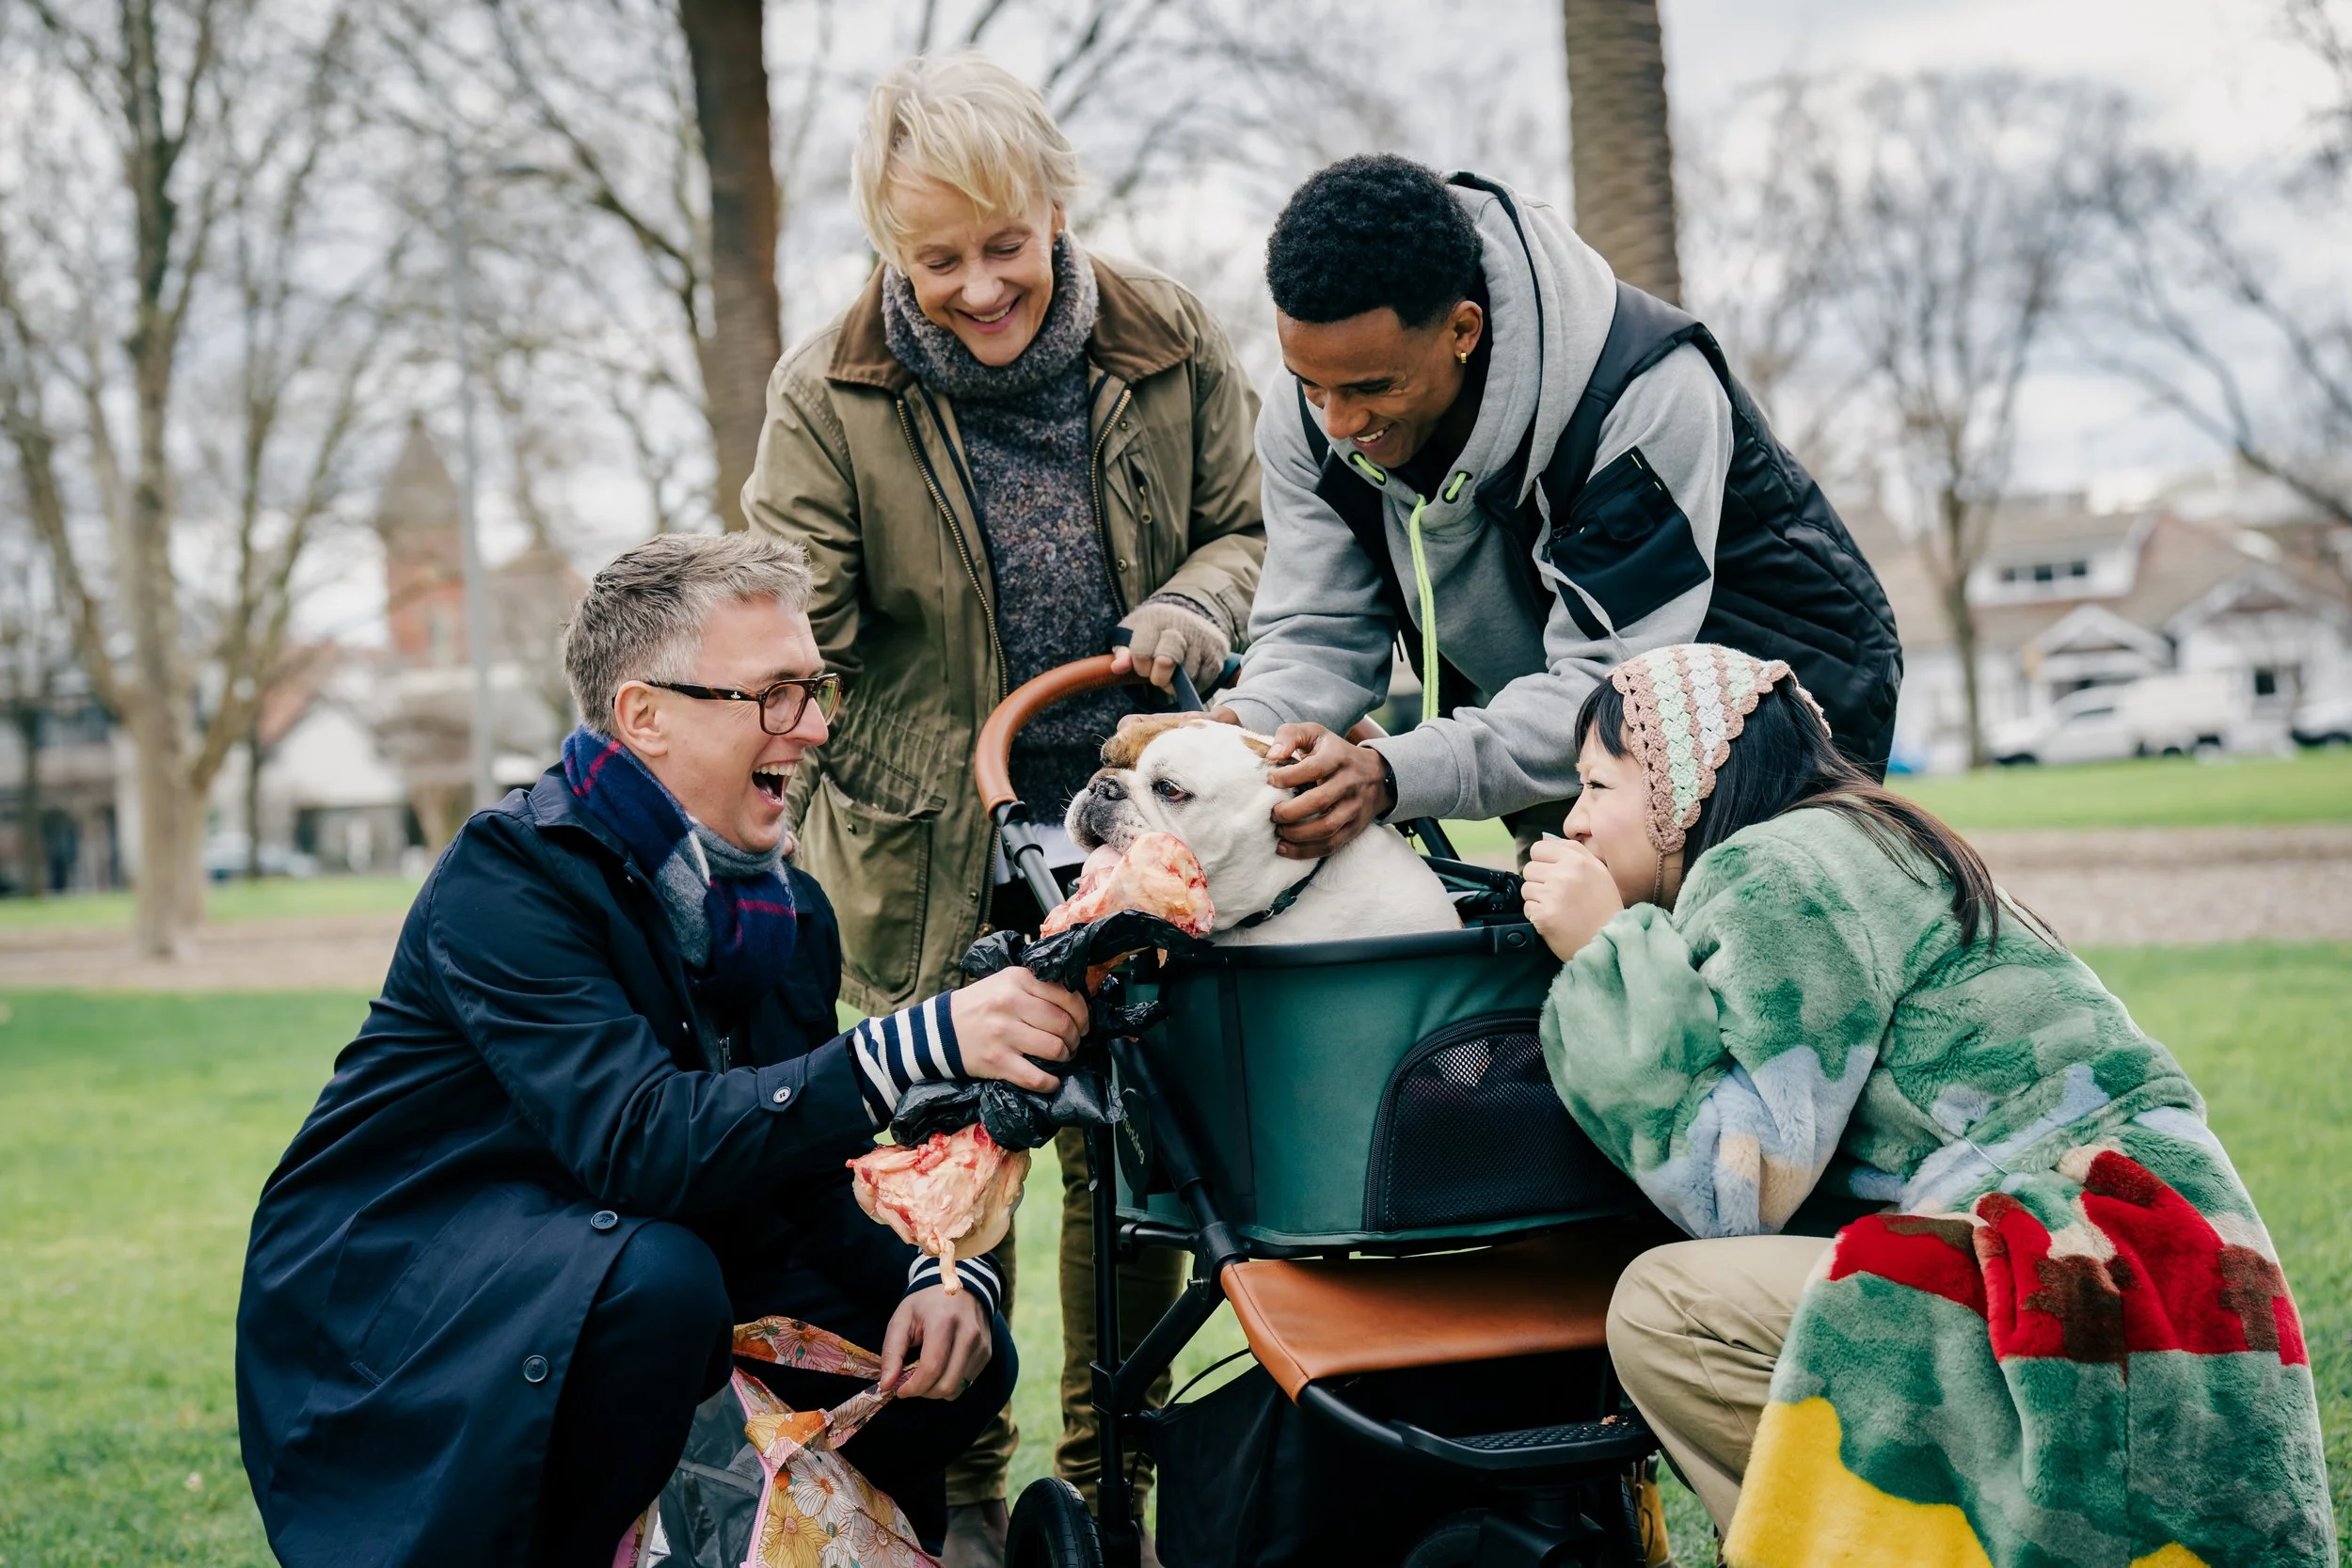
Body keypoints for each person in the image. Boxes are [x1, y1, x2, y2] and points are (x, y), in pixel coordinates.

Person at [234, 534, 1092, 1567]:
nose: (813, 728)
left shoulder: (785, 910)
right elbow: (639, 1139)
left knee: (951, 1344)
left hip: (609, 1250)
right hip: (414, 1287)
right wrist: (922, 1040)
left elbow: (807, 1178)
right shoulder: (512, 877)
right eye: (775, 694)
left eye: (815, 690)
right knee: (659, 1284)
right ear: (645, 715)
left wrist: (942, 1277)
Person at [741, 53, 1262, 1561]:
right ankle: (958, 1501)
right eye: (937, 257)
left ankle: (1113, 1491)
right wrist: (791, 685)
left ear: (1055, 205)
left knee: (1131, 1162)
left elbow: (1243, 529)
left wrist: (1191, 599)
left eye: (1004, 244)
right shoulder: (827, 388)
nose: (978, 286)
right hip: (927, 838)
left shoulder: (1165, 340)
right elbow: (796, 609)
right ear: (891, 249)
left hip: (1136, 836)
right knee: (946, 1167)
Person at [1521, 642, 2332, 1565]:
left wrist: (1603, 954)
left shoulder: (1772, 870)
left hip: (2068, 1284)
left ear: (1684, 783)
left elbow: (1735, 1194)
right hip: (2167, 1291)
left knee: (1666, 1307)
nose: (1574, 823)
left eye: (1595, 785)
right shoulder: (1859, 835)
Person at [1214, 154, 1901, 864]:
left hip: (1777, 708)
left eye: (1371, 387)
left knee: (1721, 951)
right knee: (1576, 949)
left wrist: (1393, 774)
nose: (1338, 421)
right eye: (1311, 384)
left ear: (1463, 330)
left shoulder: (1644, 391)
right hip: (1568, 729)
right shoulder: (1308, 419)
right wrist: (1224, 734)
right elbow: (1317, 631)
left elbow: (1609, 683)